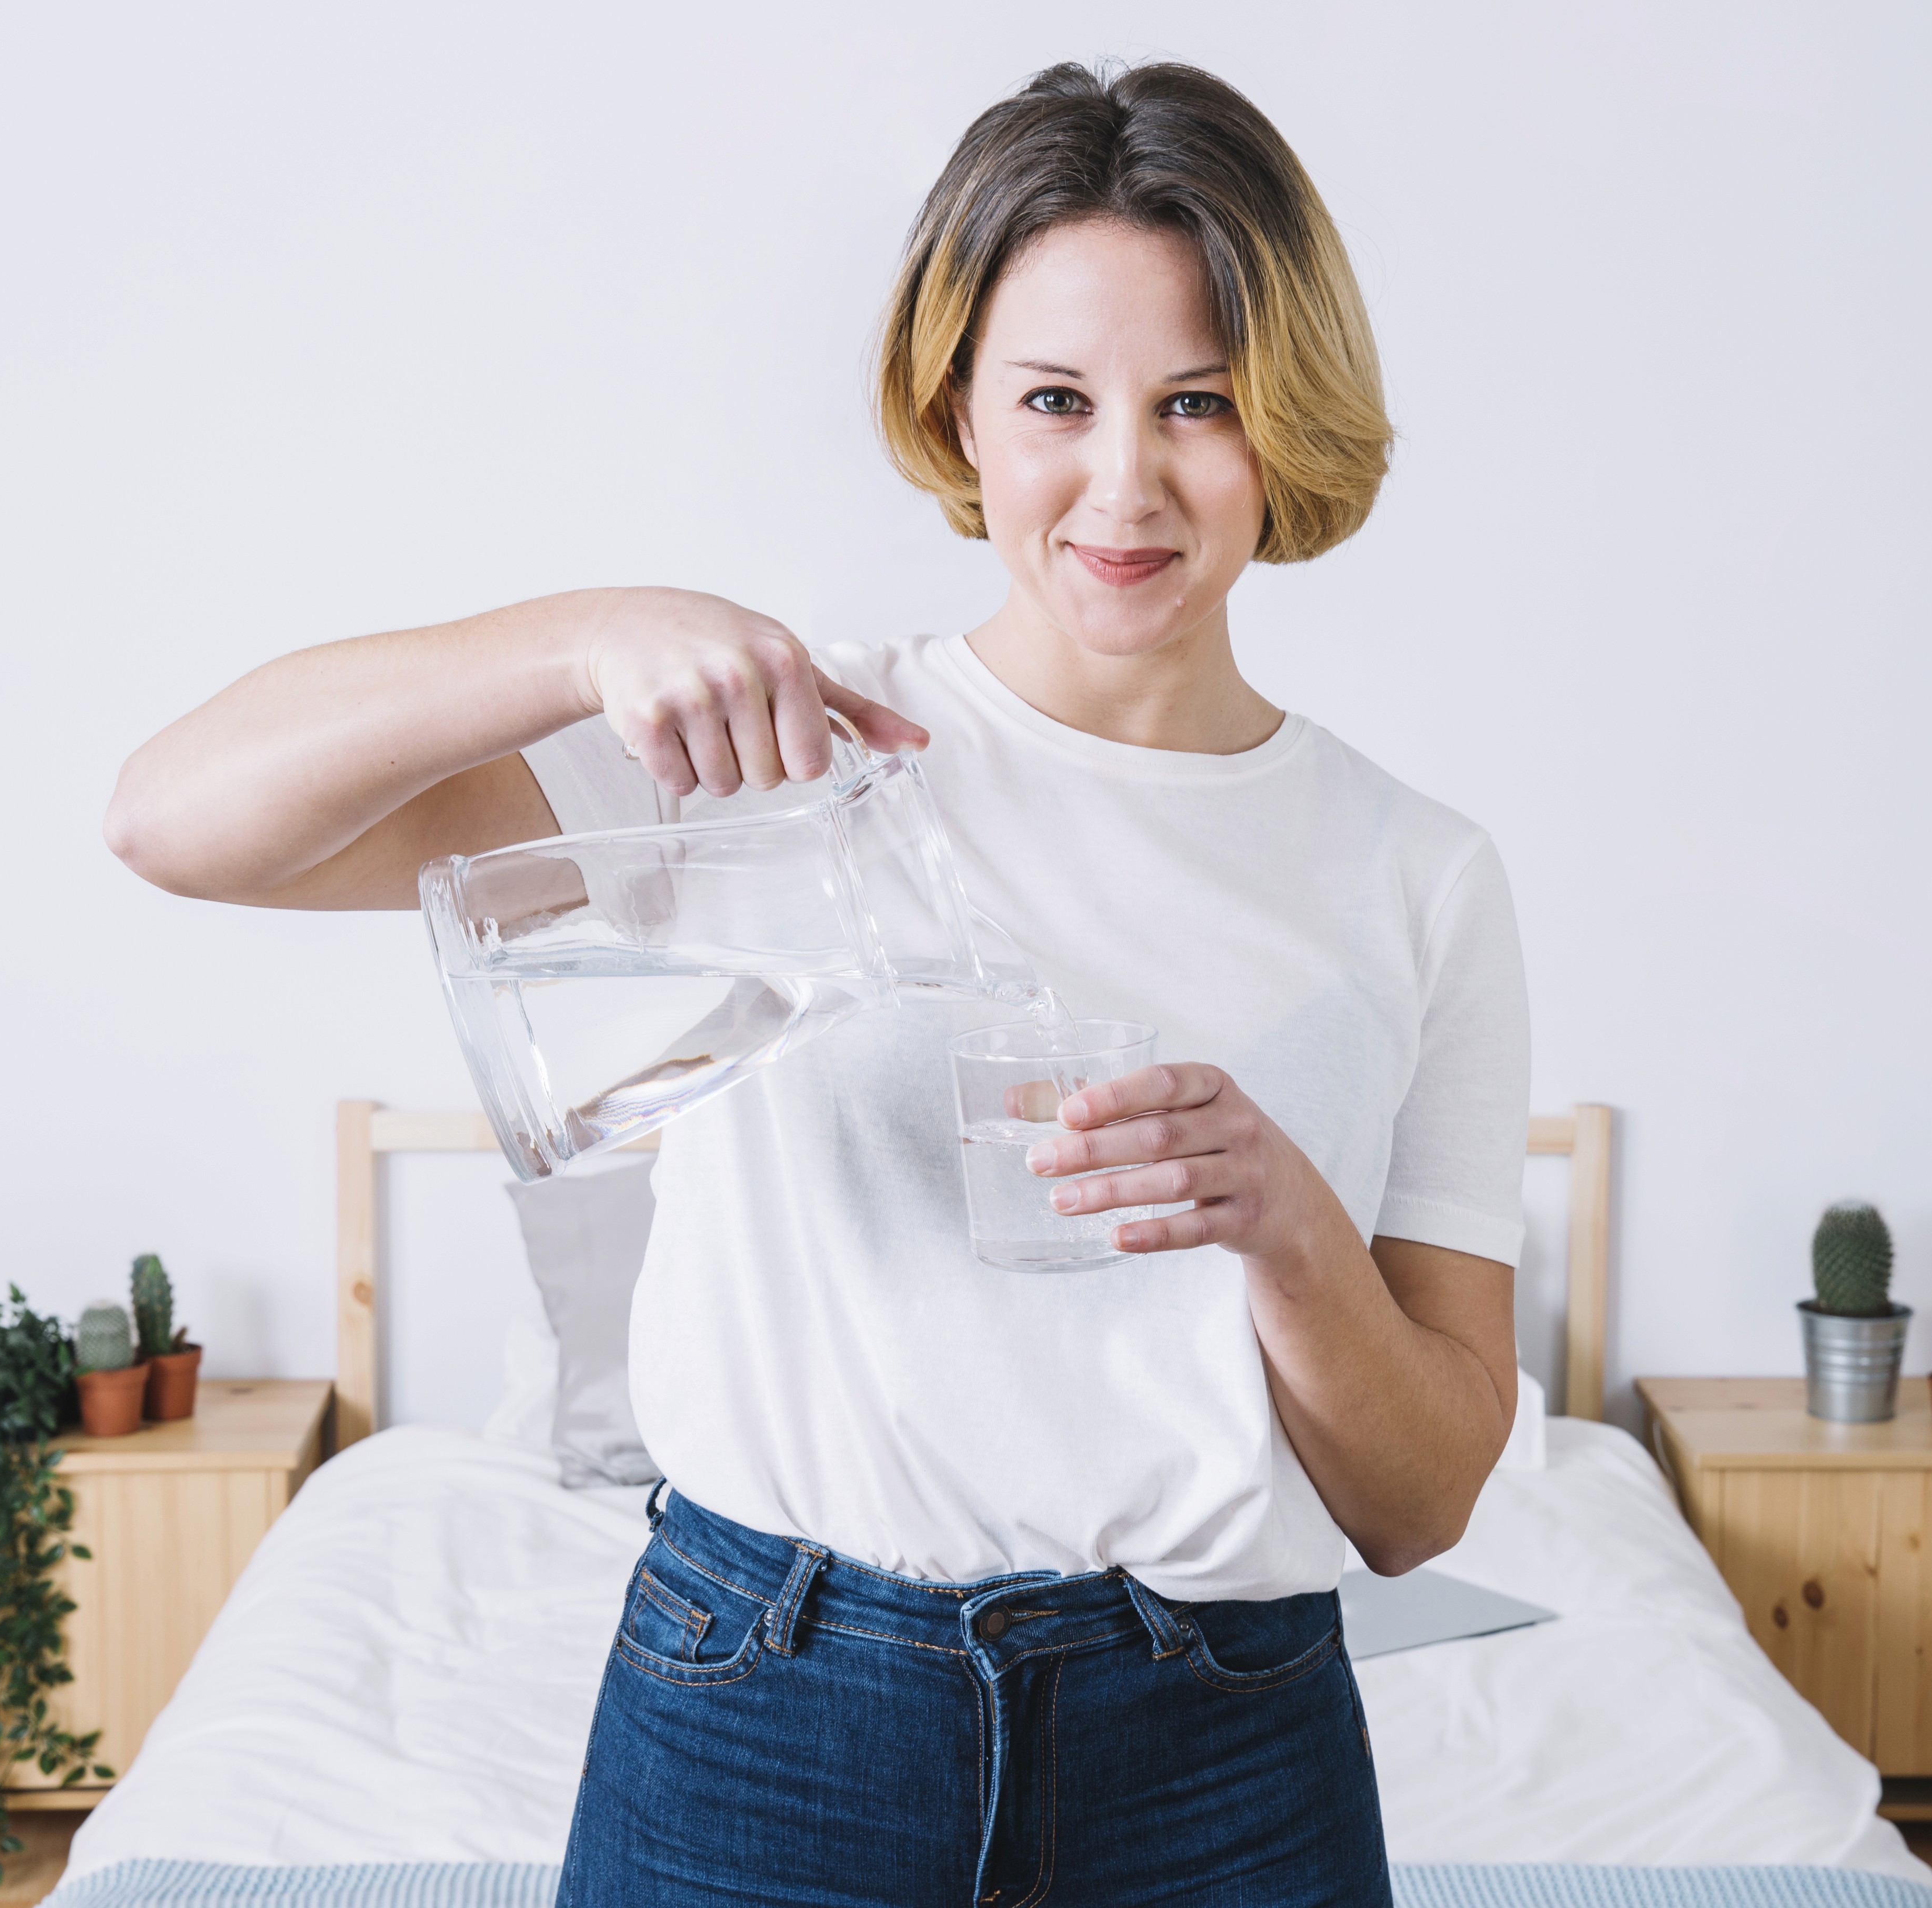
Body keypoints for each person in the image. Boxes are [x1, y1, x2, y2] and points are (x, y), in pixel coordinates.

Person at [107, 60, 1529, 1908]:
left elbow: (1421, 1511)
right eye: (1054, 401)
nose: (1126, 482)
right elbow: (176, 821)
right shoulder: (776, 754)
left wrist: (1288, 1230)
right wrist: (583, 637)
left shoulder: (1418, 873)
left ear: (1288, 417)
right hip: (765, 1707)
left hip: (1223, 1749)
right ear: (963, 411)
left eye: (1200, 403)